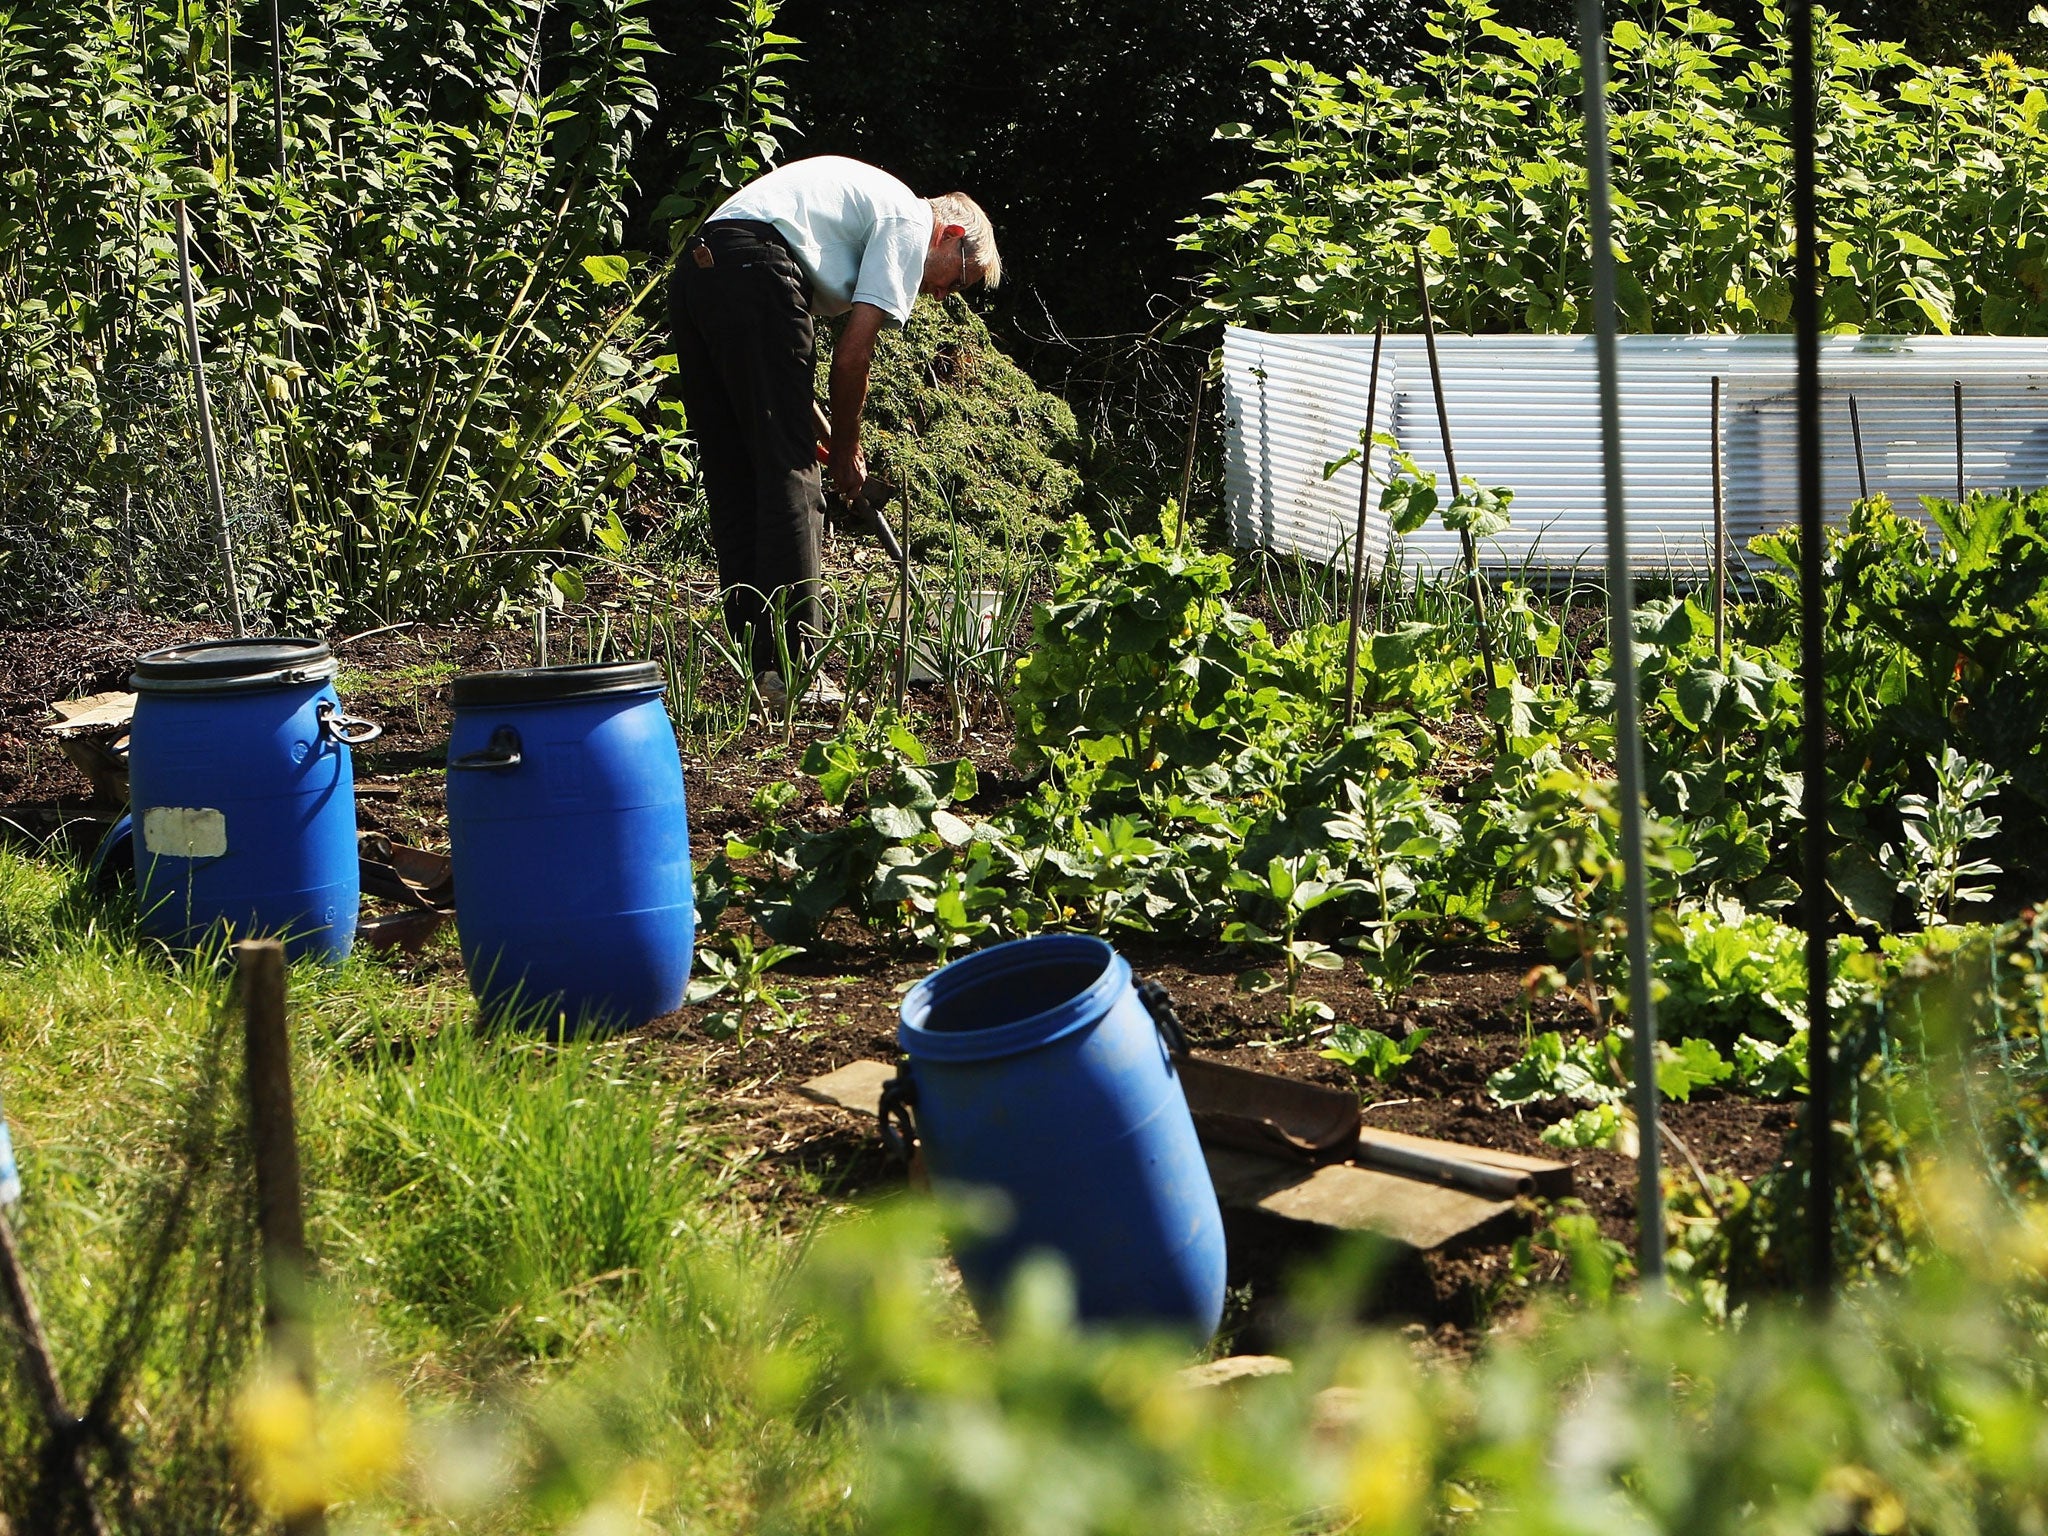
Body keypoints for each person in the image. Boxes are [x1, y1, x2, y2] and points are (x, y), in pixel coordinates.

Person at [670, 155, 1003, 707]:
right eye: (956, 280)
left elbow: (782, 375)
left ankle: (760, 666)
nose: (942, 296)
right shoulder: (909, 221)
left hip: (703, 271)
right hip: (756, 268)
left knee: (737, 472)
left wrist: (820, 422)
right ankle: (796, 668)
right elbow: (851, 358)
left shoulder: (865, 205)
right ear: (951, 234)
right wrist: (846, 447)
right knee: (794, 477)